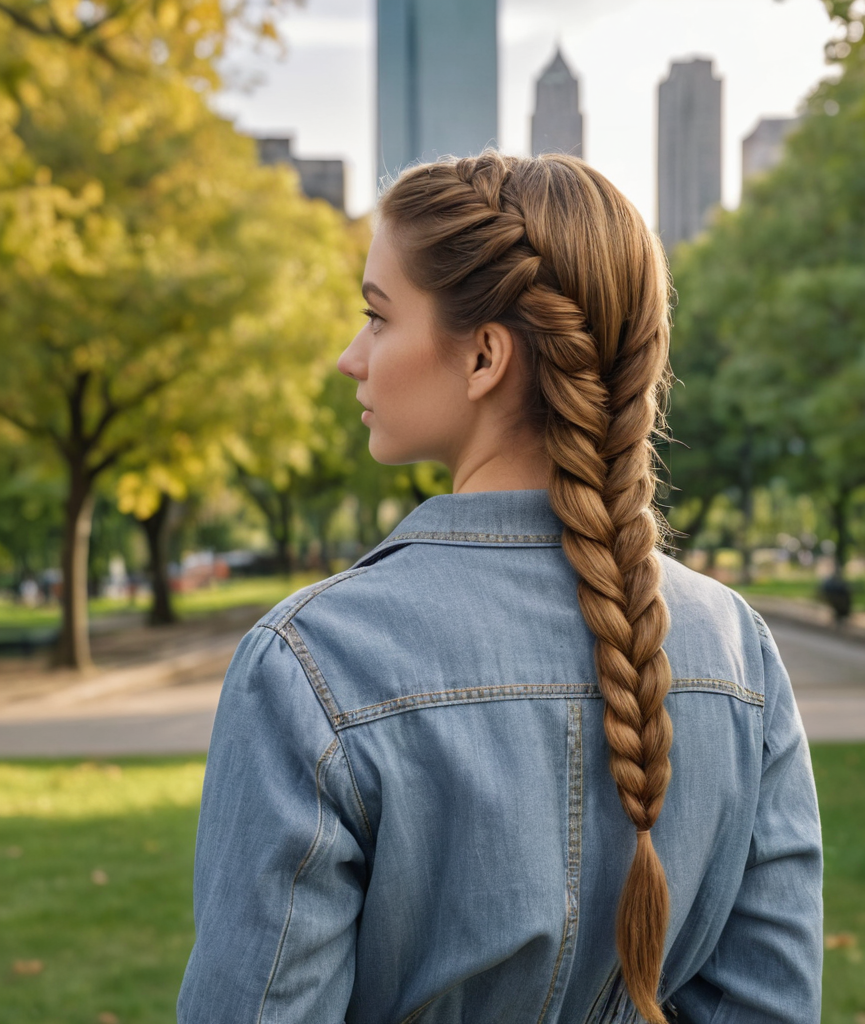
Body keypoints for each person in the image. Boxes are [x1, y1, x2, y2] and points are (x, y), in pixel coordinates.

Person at [177, 151, 822, 1024]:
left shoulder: (312, 665)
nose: (348, 358)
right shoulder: (738, 653)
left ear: (484, 356)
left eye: (376, 317)